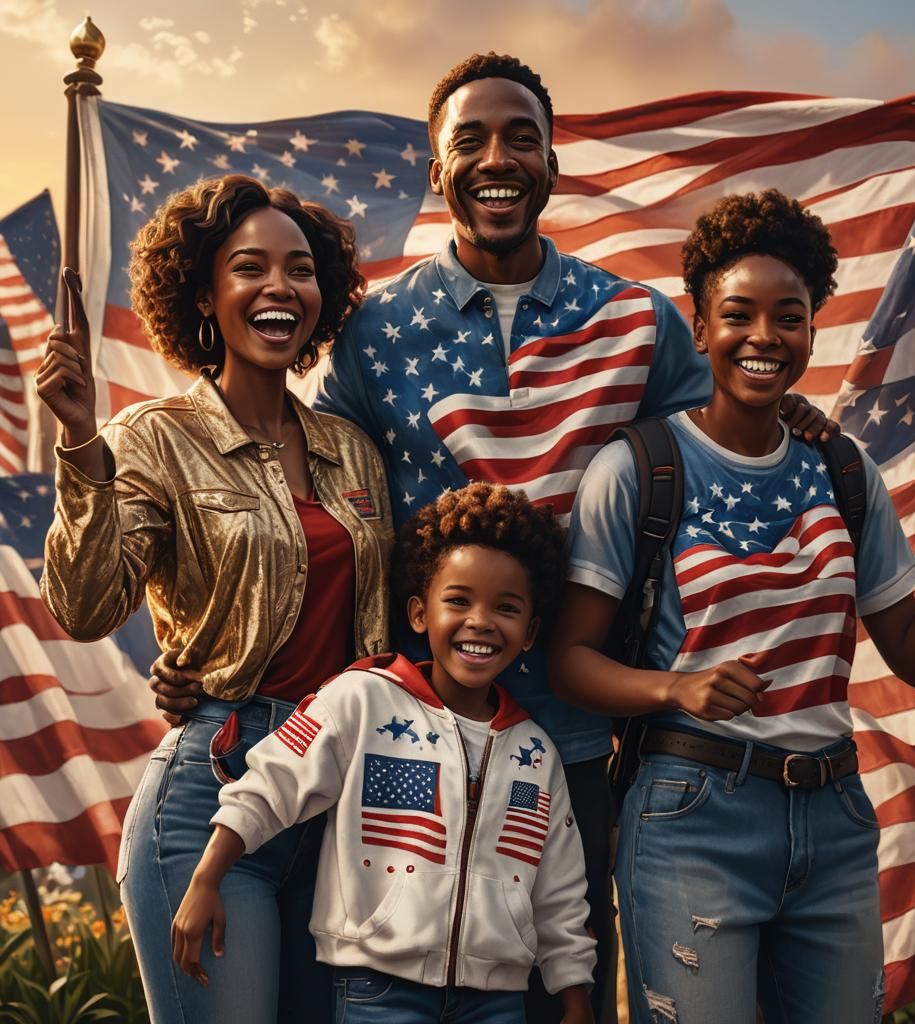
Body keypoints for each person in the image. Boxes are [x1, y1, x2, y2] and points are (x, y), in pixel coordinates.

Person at [148, 55, 835, 1023]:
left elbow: (722, 439)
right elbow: (310, 513)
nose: (495, 157)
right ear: (437, 171)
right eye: (468, 140)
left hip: (583, 730)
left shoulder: (637, 323)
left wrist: (797, 415)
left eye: (520, 136)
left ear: (553, 162)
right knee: (396, 986)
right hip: (412, 731)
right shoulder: (374, 335)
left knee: (569, 977)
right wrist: (208, 649)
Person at [549, 189, 915, 1024]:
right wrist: (675, 689)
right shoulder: (640, 468)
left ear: (811, 329)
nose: (764, 337)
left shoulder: (841, 471)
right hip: (691, 814)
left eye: (789, 316)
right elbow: (571, 660)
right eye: (739, 314)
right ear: (699, 328)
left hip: (834, 817)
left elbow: (911, 652)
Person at [36, 175, 393, 1024]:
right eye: (249, 268)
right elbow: (85, 608)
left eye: (300, 269)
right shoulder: (154, 438)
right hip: (217, 791)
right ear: (204, 293)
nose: (279, 287)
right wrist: (82, 443)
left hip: (346, 799)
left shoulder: (353, 449)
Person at [170, 482, 597, 1024]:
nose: (481, 621)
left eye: (506, 608)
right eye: (458, 601)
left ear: (530, 631)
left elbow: (559, 891)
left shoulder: (536, 753)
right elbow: (270, 785)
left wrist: (575, 995)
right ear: (419, 614)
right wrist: (206, 878)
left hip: (498, 1001)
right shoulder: (361, 699)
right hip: (378, 993)